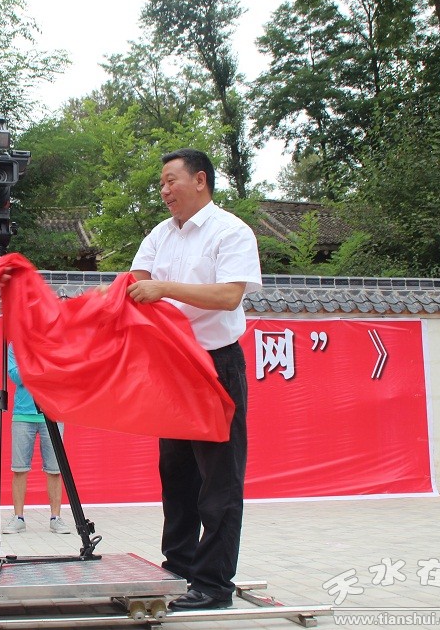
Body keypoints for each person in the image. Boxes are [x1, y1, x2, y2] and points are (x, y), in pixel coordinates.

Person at [127, 148, 262, 611]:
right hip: (173, 365)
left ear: (200, 180)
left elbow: (228, 296)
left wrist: (164, 288)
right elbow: (137, 281)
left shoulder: (231, 231)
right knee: (176, 472)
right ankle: (179, 566)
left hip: (215, 365)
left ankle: (213, 583)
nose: (164, 191)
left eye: (171, 181)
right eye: (161, 184)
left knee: (219, 478)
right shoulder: (160, 234)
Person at [2, 343, 70, 535]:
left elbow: (59, 374)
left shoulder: (54, 343)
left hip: (52, 412)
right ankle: (18, 518)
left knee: (55, 470)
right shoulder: (16, 346)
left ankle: (56, 518)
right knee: (19, 469)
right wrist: (41, 366)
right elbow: (15, 376)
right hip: (23, 414)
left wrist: (32, 368)